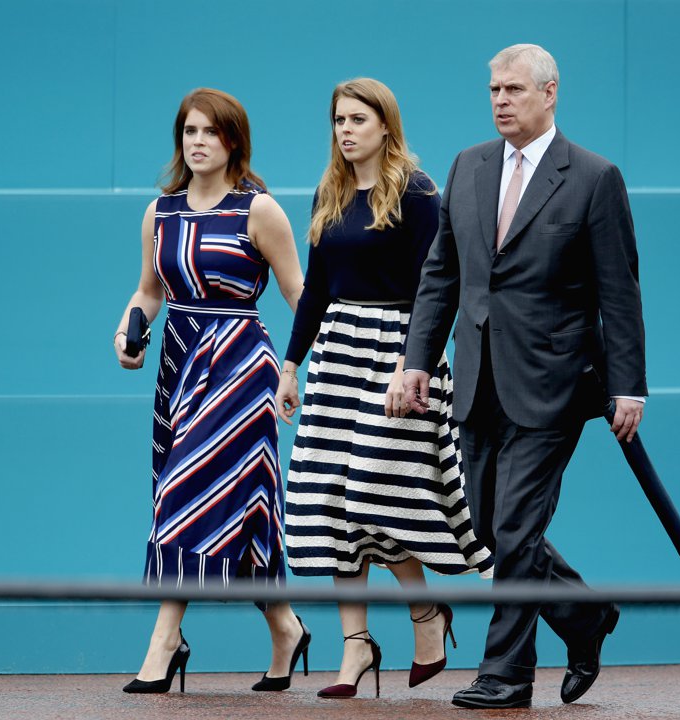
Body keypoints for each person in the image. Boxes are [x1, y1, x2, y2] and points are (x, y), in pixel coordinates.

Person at [404, 44, 648, 709]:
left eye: (514, 89)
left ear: (550, 93)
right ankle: (584, 616)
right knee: (487, 526)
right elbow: (442, 275)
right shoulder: (468, 166)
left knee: (514, 528)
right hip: (478, 379)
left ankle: (505, 675)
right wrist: (417, 361)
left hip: (555, 385)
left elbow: (618, 292)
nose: (501, 100)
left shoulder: (595, 178)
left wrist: (630, 385)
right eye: (493, 90)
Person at [276, 78, 494, 700]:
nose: (346, 131)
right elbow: (315, 289)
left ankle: (426, 613)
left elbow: (439, 285)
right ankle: (356, 648)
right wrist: (292, 366)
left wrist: (413, 363)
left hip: (400, 354)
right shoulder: (330, 191)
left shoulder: (419, 192)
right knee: (330, 504)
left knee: (375, 492)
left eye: (358, 120)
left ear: (385, 125)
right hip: (339, 352)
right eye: (339, 121)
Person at [113, 87, 311, 694]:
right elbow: (149, 291)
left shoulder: (260, 210)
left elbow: (299, 295)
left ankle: (165, 640)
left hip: (238, 365)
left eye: (210, 133)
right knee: (237, 506)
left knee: (182, 495)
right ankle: (286, 628)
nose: (197, 142)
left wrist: (292, 367)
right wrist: (127, 330)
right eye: (189, 132)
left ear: (233, 142)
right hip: (178, 362)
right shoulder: (160, 211)